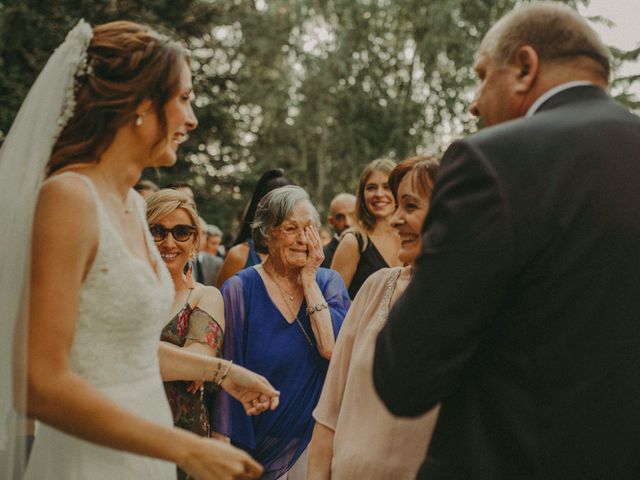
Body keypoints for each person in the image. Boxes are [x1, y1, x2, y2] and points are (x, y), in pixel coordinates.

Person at [0, 20, 278, 480]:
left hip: (147, 450)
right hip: (90, 455)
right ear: (141, 105)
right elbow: (38, 385)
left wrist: (224, 372)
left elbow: (124, 349)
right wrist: (185, 448)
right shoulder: (69, 198)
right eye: (185, 99)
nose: (191, 120)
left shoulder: (133, 203)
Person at [373, 3, 640, 479]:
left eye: (481, 76)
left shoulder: (491, 163)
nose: (475, 102)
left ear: (524, 67)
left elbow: (406, 377)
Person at [308, 156, 440, 480]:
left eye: (409, 206)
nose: (395, 220)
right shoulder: (374, 287)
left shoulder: (482, 301)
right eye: (397, 207)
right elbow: (328, 415)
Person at [213, 186, 350, 480]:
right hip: (257, 445)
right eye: (291, 229)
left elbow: (331, 349)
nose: (302, 239)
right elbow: (227, 373)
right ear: (266, 235)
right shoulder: (240, 290)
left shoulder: (328, 283)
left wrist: (310, 282)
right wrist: (221, 448)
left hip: (315, 439)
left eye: (309, 229)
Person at [146, 189, 226, 479]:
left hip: (183, 443)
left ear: (194, 240)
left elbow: (199, 361)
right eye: (157, 231)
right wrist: (183, 365)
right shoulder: (125, 297)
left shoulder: (206, 296)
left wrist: (195, 366)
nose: (169, 242)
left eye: (181, 232)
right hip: (127, 433)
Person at [331, 159, 401, 298]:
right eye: (371, 188)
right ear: (362, 195)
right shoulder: (353, 242)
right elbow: (333, 301)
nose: (379, 194)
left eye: (387, 186)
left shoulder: (415, 237)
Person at [215, 169, 291, 287]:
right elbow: (220, 302)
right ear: (262, 210)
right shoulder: (240, 255)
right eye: (279, 207)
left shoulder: (300, 253)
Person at [320, 193, 355, 268]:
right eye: (340, 218)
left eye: (353, 215)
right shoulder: (321, 257)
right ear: (331, 221)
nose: (348, 223)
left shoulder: (370, 250)